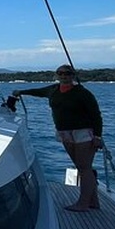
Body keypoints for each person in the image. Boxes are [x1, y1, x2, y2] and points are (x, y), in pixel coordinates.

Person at [12, 65, 103, 212]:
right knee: (81, 167)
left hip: (82, 132)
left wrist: (98, 136)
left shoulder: (82, 93)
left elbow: (96, 115)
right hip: (64, 132)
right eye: (60, 73)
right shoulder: (53, 90)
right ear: (57, 75)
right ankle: (93, 201)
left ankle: (83, 203)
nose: (63, 76)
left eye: (67, 73)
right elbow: (38, 91)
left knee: (84, 168)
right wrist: (21, 92)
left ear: (73, 75)